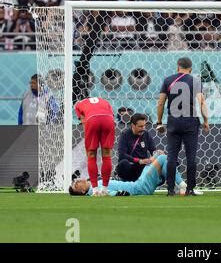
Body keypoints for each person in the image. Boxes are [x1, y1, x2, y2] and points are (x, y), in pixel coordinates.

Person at [156, 57, 209, 196]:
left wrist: (159, 121)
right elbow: (201, 102)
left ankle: (170, 189)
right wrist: (206, 120)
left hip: (173, 121)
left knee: (172, 157)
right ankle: (190, 189)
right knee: (191, 156)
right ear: (190, 69)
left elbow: (160, 103)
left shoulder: (168, 80)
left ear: (177, 67)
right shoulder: (195, 81)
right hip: (190, 121)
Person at [69, 154, 187, 196]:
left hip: (138, 183)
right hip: (140, 187)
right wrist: (119, 194)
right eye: (76, 185)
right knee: (162, 158)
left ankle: (175, 186)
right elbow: (107, 193)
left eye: (75, 181)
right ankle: (182, 185)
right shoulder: (94, 191)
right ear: (83, 191)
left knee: (157, 157)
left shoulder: (94, 183)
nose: (76, 181)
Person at [74, 96, 115, 197]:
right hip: (108, 120)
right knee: (106, 154)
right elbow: (112, 115)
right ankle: (105, 189)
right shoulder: (104, 101)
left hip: (92, 120)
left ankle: (95, 190)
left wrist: (89, 138)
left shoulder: (79, 104)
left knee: (91, 155)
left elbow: (83, 121)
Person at [116, 113, 158, 181]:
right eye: (140, 126)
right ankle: (124, 182)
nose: (143, 128)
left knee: (160, 164)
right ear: (133, 125)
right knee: (124, 163)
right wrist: (139, 161)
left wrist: (157, 153)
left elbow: (153, 150)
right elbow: (122, 154)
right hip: (130, 165)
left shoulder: (146, 134)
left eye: (144, 126)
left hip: (142, 167)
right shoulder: (125, 135)